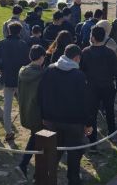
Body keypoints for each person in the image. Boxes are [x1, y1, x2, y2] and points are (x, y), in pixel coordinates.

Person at [38, 44, 91, 185]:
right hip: (73, 122)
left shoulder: (49, 70)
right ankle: (73, 179)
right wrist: (88, 123)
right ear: (77, 58)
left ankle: (48, 176)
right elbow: (84, 101)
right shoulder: (79, 75)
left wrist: (43, 115)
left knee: (54, 150)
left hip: (51, 119)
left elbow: (41, 94)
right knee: (74, 152)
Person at [81, 26, 117, 144]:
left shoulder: (85, 52)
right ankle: (112, 132)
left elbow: (81, 70)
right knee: (109, 110)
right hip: (107, 85)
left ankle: (92, 138)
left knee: (91, 113)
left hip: (91, 87)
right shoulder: (110, 53)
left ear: (92, 37)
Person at [0, 21, 31, 142]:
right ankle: (31, 128)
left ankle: (9, 132)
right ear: (20, 31)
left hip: (7, 77)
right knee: (25, 105)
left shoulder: (2, 43)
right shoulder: (23, 44)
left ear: (9, 30)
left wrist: (1, 68)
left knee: (7, 106)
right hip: (20, 78)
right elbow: (27, 61)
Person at [16, 45, 46, 179]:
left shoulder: (22, 71)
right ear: (41, 57)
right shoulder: (42, 74)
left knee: (35, 138)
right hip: (38, 113)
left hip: (26, 109)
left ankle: (24, 165)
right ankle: (30, 168)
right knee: (40, 141)